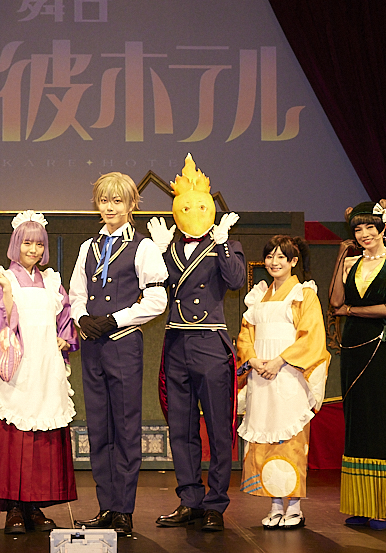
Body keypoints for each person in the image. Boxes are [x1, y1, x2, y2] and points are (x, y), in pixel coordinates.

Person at [146, 155, 244, 533]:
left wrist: (222, 244)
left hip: (209, 341)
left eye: (200, 206)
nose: (194, 212)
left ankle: (215, 503)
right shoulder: (169, 247)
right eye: (186, 207)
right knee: (181, 427)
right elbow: (157, 285)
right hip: (176, 342)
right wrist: (158, 251)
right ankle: (190, 499)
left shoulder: (225, 245)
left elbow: (235, 280)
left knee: (218, 428)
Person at [69, 172, 169, 535]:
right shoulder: (88, 247)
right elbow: (76, 293)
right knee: (99, 428)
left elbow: (157, 299)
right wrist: (81, 318)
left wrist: (115, 320)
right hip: (93, 347)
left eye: (117, 201)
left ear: (131, 205)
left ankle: (124, 510)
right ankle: (106, 507)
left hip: (124, 345)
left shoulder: (144, 247)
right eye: (104, 201)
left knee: (126, 428)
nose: (110, 207)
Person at [0, 211, 78, 534]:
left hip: (46, 367)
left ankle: (35, 506)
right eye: (27, 243)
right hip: (19, 369)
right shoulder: (2, 278)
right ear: (16, 244)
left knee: (43, 437)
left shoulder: (52, 282)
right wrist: (6, 295)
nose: (33, 249)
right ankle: (14, 508)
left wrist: (66, 338)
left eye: (39, 244)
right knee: (14, 439)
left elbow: (65, 317)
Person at [236, 235, 330, 530]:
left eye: (281, 257)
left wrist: (280, 361)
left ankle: (295, 506)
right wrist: (253, 360)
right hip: (261, 376)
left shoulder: (304, 294)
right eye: (270, 257)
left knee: (290, 441)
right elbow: (246, 335)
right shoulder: (258, 296)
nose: (274, 262)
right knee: (265, 438)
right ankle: (276, 504)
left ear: (293, 261)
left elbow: (312, 337)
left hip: (290, 374)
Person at [328, 200, 386, 531]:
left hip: (380, 348)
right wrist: (340, 256)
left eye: (369, 228)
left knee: (378, 424)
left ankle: (380, 507)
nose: (364, 234)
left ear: (383, 228)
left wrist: (350, 311)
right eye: (358, 229)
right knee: (356, 424)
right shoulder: (350, 263)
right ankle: (359, 505)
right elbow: (335, 301)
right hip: (352, 349)